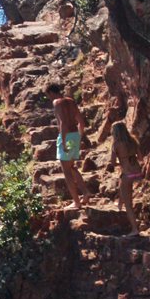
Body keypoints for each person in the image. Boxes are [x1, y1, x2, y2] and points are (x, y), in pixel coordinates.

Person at [46, 83, 91, 211]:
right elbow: (81, 121)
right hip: (75, 135)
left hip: (67, 137)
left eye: (49, 95)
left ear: (52, 93)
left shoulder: (57, 102)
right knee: (71, 167)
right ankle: (85, 192)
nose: (49, 98)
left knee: (66, 170)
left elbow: (62, 122)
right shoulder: (71, 101)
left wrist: (63, 140)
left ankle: (76, 202)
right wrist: (79, 136)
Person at [107, 120, 142, 234]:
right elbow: (140, 157)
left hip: (127, 174)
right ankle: (119, 203)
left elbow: (112, 163)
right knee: (120, 180)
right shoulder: (133, 140)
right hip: (137, 172)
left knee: (129, 205)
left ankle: (135, 229)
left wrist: (121, 161)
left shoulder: (116, 144)